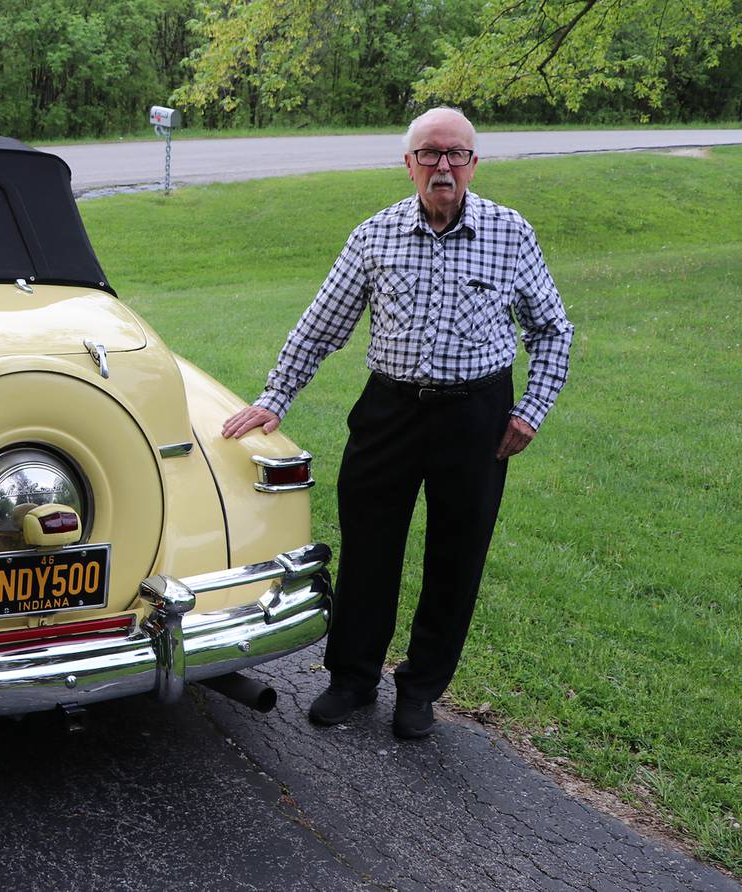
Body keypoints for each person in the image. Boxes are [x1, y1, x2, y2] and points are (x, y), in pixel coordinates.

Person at [222, 107, 573, 739]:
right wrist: (277, 397)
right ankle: (353, 680)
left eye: (457, 154)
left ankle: (421, 689)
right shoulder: (374, 236)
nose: (444, 166)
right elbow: (320, 326)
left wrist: (531, 411)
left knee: (455, 557)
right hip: (389, 414)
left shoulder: (510, 233)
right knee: (368, 551)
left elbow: (552, 331)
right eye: (431, 154)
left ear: (473, 163)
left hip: (476, 418)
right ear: (408, 163)